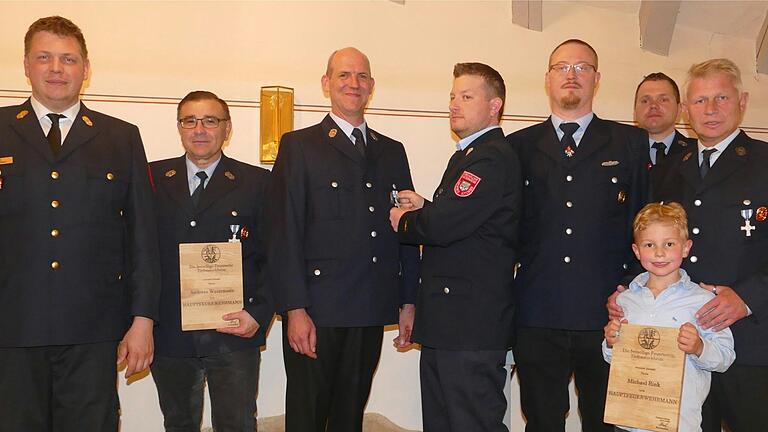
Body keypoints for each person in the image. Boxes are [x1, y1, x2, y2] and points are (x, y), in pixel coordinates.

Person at [0, 16, 160, 431]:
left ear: (85, 69)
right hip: (12, 326)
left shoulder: (120, 137)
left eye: (68, 59)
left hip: (93, 328)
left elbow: (142, 236)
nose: (57, 68)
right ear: (26, 65)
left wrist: (143, 319)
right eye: (45, 57)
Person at [609, 58, 768, 432]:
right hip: (674, 348)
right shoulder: (667, 168)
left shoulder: (765, 162)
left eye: (721, 98)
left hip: (750, 342)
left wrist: (745, 299)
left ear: (742, 101)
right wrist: (626, 291)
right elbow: (647, 238)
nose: (710, 110)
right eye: (700, 101)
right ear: (684, 110)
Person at [266, 47, 419, 432]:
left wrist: (408, 299)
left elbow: (406, 230)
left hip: (370, 305)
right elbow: (284, 232)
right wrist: (294, 309)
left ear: (371, 86)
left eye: (362, 77)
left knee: (351, 415)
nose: (354, 83)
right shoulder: (299, 146)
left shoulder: (392, 151)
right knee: (308, 415)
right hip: (318, 310)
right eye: (344, 75)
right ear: (326, 83)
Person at [506, 39, 650, 431]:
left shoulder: (629, 143)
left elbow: (644, 223)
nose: (572, 75)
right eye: (562, 67)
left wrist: (627, 288)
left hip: (607, 312)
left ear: (597, 79)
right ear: (548, 79)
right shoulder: (517, 146)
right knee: (543, 421)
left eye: (582, 68)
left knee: (606, 423)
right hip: (538, 312)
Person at [390, 62, 520, 432]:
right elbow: (471, 225)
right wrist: (426, 208)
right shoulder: (468, 154)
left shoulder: (490, 156)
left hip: (470, 325)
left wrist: (406, 221)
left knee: (470, 422)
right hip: (452, 323)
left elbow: (447, 226)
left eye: (466, 96)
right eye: (452, 96)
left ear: (494, 106)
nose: (454, 105)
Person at [149, 91, 273, 432]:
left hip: (234, 331)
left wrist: (258, 315)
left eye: (210, 121)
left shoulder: (258, 183)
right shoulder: (151, 179)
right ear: (179, 127)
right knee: (178, 424)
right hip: (170, 333)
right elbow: (138, 255)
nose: (199, 129)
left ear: (227, 128)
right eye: (190, 121)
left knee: (237, 425)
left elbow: (274, 257)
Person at [603, 202, 735, 432]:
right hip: (628, 421)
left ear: (686, 247)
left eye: (669, 244)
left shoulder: (702, 301)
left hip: (678, 423)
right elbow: (611, 359)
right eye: (649, 244)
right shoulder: (625, 301)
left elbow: (725, 357)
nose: (659, 252)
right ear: (636, 251)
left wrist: (698, 347)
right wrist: (610, 342)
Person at [633, 73, 696, 192]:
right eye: (645, 101)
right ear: (635, 111)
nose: (653, 106)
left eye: (663, 100)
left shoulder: (696, 154)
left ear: (679, 110)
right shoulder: (618, 152)